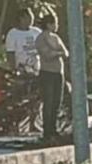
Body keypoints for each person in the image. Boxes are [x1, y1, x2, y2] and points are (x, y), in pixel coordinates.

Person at [35, 10, 68, 139]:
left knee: (56, 102)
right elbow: (47, 55)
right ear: (48, 24)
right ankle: (47, 130)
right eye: (55, 23)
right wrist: (57, 52)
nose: (57, 26)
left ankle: (54, 129)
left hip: (58, 72)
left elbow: (65, 52)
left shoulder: (56, 37)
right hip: (47, 72)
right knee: (48, 101)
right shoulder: (41, 38)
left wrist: (57, 52)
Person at [5, 8, 41, 76]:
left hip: (37, 69)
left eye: (31, 17)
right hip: (21, 69)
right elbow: (10, 53)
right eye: (28, 17)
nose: (31, 19)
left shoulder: (37, 32)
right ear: (21, 18)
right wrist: (14, 69)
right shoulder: (13, 33)